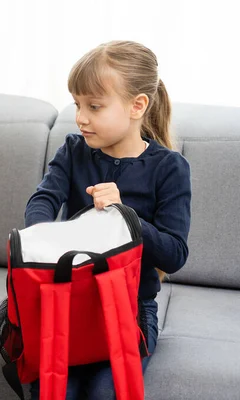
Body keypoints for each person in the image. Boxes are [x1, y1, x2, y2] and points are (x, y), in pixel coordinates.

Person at [25, 41, 191, 399]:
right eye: (78, 105)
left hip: (131, 312)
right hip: (68, 304)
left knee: (104, 392)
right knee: (53, 390)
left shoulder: (170, 168)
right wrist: (44, 237)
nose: (81, 117)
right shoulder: (72, 150)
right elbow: (42, 201)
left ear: (137, 106)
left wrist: (126, 217)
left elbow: (175, 254)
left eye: (94, 106)